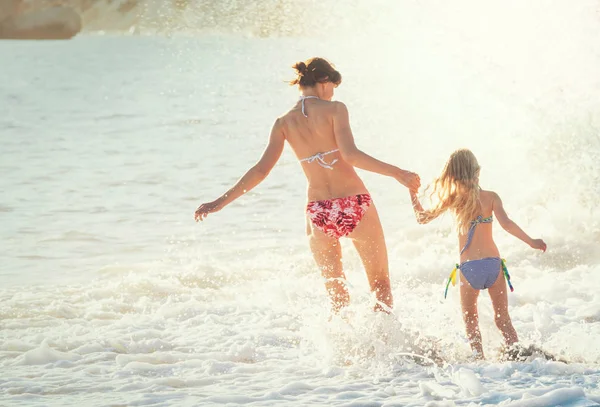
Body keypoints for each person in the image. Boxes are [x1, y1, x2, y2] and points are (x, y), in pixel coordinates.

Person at [194, 57, 420, 313]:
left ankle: (343, 351)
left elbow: (260, 170)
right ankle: (385, 347)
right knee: (380, 284)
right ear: (324, 82)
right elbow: (351, 155)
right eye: (333, 86)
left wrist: (219, 202)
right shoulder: (336, 109)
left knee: (337, 297)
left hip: (318, 211)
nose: (333, 93)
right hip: (354, 203)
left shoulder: (283, 123)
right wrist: (398, 173)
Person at [409, 148, 546, 359]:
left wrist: (412, 193)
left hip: (469, 269)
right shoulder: (491, 197)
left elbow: (422, 218)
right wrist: (532, 242)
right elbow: (507, 224)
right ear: (477, 172)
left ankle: (478, 360)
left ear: (452, 176)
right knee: (503, 320)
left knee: (470, 320)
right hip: (493, 266)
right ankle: (520, 358)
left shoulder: (452, 200)